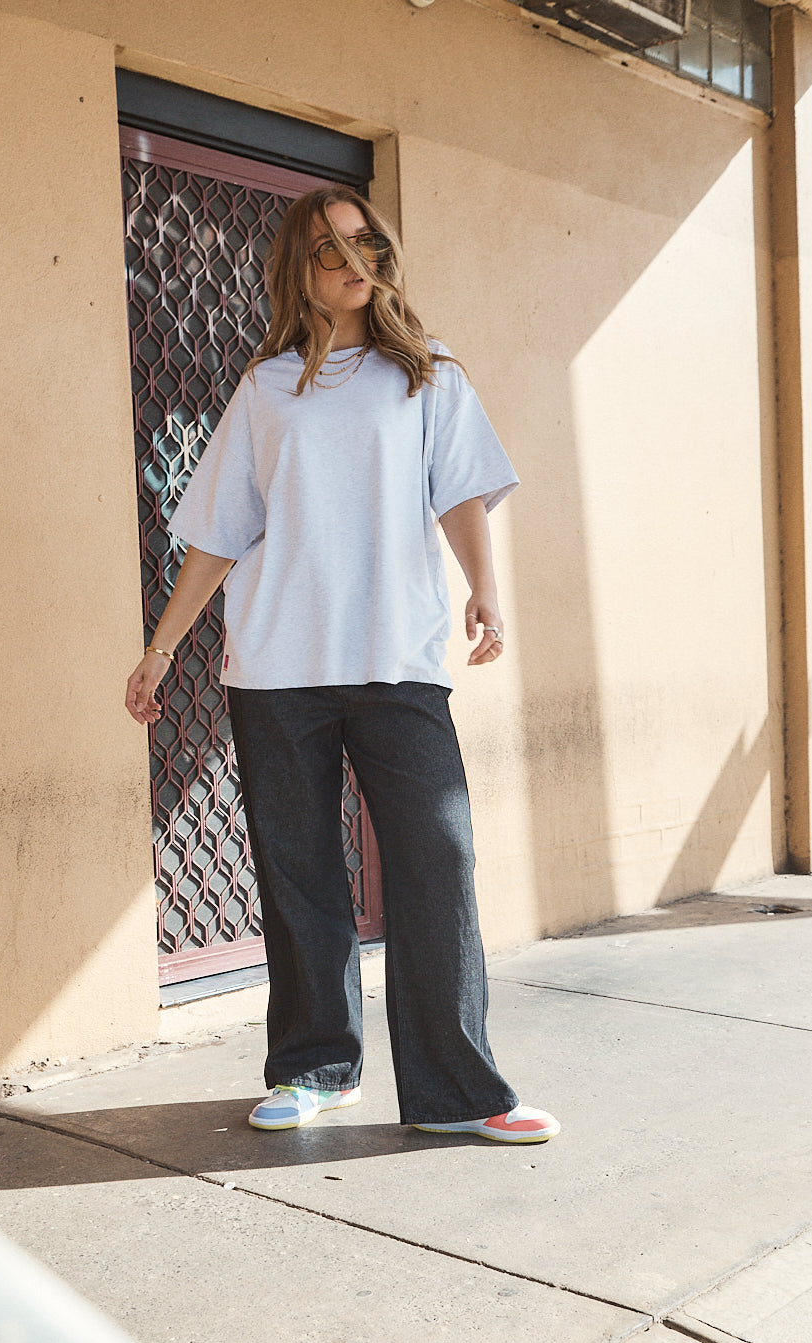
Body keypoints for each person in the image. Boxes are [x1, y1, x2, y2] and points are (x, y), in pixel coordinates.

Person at [125, 185, 558, 1146]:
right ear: (299, 270)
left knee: (437, 858)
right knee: (300, 870)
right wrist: (159, 651)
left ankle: (457, 1091)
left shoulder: (428, 375)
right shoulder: (267, 387)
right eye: (328, 249)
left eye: (364, 241)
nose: (351, 260)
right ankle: (317, 1067)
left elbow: (462, 496)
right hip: (275, 666)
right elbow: (218, 534)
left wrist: (484, 589)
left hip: (396, 656)